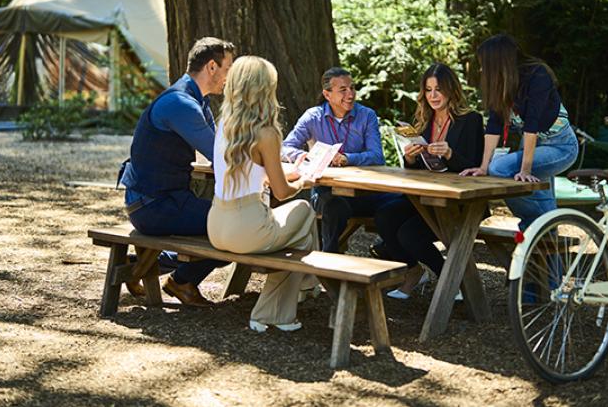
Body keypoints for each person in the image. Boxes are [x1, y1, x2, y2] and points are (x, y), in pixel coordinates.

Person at [118, 37, 235, 306]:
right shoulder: (181, 104)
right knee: (233, 229)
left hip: (164, 200)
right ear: (212, 67)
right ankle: (182, 282)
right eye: (228, 69)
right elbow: (220, 157)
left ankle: (141, 265)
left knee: (230, 224)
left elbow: (219, 153)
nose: (230, 77)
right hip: (152, 206)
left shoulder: (196, 100)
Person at [207, 56, 319, 332]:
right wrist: (304, 180)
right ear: (264, 89)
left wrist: (287, 171)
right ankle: (281, 306)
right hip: (247, 230)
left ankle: (304, 288)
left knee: (296, 231)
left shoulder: (225, 125)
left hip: (216, 225)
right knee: (304, 212)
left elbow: (253, 172)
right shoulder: (266, 132)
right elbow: (282, 192)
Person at [374, 63, 484, 299]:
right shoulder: (424, 121)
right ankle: (414, 271)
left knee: (409, 234)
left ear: (451, 90)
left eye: (438, 89)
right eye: (428, 89)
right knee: (384, 215)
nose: (433, 95)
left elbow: (475, 167)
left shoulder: (470, 120)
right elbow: (415, 170)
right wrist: (410, 158)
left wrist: (450, 154)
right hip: (425, 197)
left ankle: (449, 280)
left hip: (458, 201)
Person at [460, 34, 579, 237]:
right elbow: (494, 126)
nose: (482, 70)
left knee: (499, 169)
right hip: (531, 147)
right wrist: (482, 166)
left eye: (484, 64)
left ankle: (531, 223)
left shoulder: (537, 75)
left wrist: (525, 168)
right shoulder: (502, 84)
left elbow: (532, 124)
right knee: (545, 211)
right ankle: (550, 257)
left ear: (498, 62)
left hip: (560, 147)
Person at [281, 67, 395, 253]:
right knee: (335, 206)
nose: (350, 94)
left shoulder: (367, 115)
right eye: (343, 90)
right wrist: (308, 156)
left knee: (401, 203)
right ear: (327, 94)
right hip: (327, 192)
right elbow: (284, 149)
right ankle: (328, 259)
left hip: (364, 193)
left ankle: (393, 257)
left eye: (352, 88)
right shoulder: (313, 117)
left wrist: (347, 158)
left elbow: (377, 156)